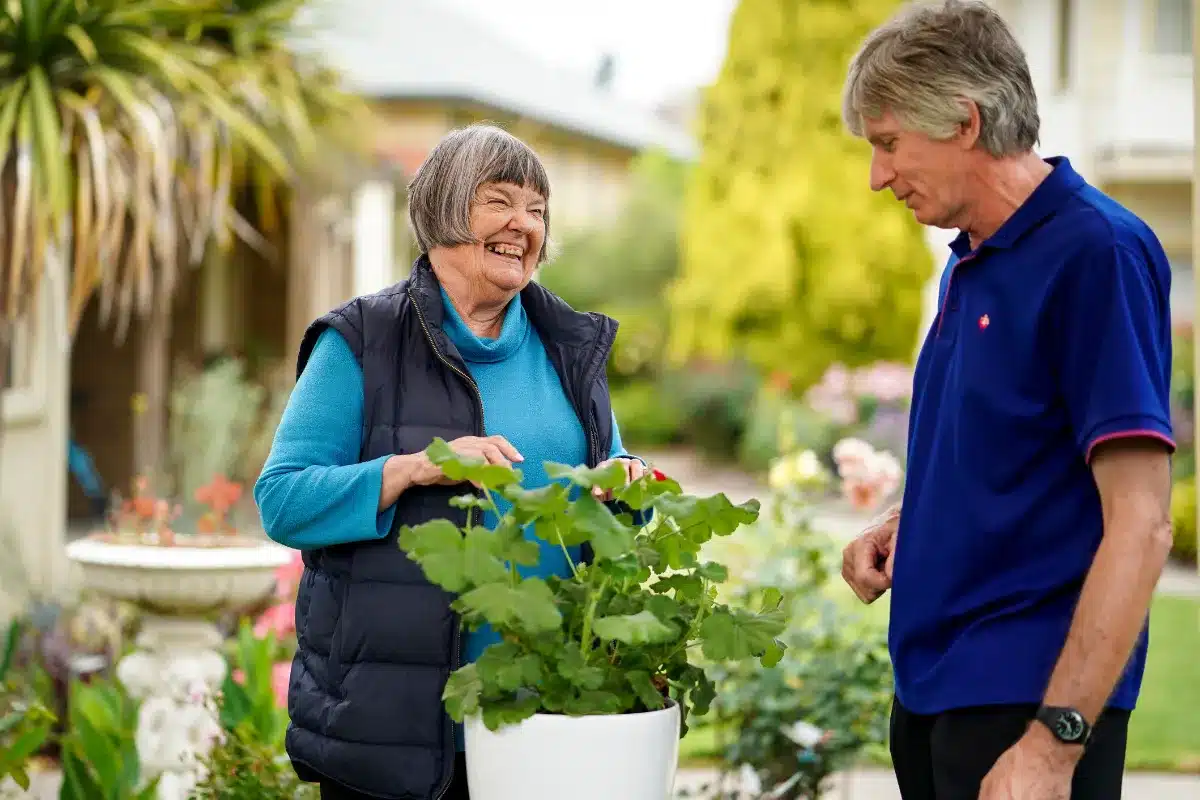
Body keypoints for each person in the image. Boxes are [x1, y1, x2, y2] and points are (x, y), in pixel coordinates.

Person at [839, 3, 1174, 799]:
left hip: (1026, 705)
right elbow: (1002, 452)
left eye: (888, 144)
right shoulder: (970, 261)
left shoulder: (1098, 252)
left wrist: (1055, 747)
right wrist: (904, 527)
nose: (878, 176)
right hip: (934, 692)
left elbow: (1143, 521)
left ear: (963, 120)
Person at [254, 124, 647, 800]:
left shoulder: (567, 346)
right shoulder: (362, 342)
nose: (523, 225)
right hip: (395, 730)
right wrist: (412, 468)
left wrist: (627, 478)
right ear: (440, 212)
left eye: (537, 209)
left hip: (547, 712)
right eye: (499, 201)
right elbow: (282, 500)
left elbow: (614, 467)